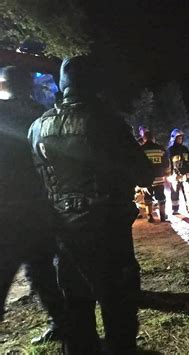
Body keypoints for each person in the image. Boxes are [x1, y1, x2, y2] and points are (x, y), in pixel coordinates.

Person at [28, 56, 154, 355]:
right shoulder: (105, 121)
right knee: (118, 305)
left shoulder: (37, 127)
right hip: (106, 226)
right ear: (95, 84)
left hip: (63, 228)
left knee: (76, 305)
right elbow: (143, 173)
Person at [0, 66, 66, 344]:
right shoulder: (42, 114)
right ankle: (62, 324)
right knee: (41, 271)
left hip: (9, 210)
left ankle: (62, 324)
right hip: (39, 207)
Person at [140, 130, 170, 223]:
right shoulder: (160, 149)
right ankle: (162, 215)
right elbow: (166, 163)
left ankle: (150, 216)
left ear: (144, 139)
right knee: (161, 197)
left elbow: (137, 165)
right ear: (153, 139)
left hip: (146, 179)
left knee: (147, 197)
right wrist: (167, 174)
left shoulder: (141, 150)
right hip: (159, 178)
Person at [167, 129, 189, 215]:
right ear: (174, 138)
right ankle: (175, 210)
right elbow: (169, 163)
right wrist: (169, 174)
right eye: (178, 138)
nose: (180, 139)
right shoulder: (170, 150)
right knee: (174, 193)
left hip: (185, 174)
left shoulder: (185, 149)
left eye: (181, 138)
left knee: (188, 192)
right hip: (174, 175)